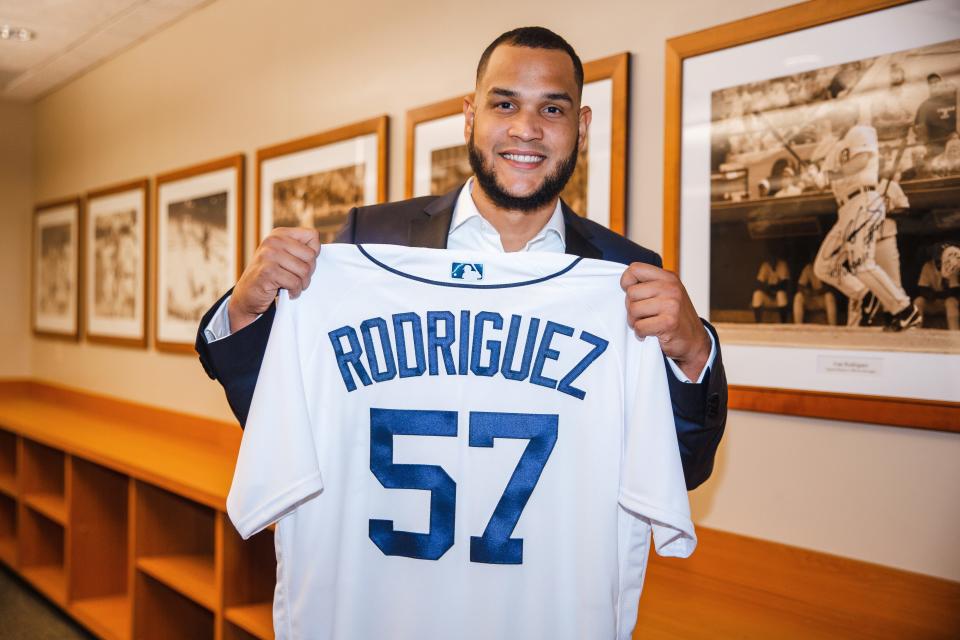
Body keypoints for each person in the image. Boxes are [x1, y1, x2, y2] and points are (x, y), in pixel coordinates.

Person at [195, 27, 727, 490]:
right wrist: (245, 311)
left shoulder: (625, 271)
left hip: (545, 595)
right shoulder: (370, 239)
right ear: (469, 117)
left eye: (552, 108)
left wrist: (692, 354)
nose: (526, 128)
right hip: (391, 587)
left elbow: (677, 470)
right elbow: (283, 421)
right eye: (504, 104)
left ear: (582, 127)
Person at [808, 103, 921, 331]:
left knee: (862, 263)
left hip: (864, 200)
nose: (834, 120)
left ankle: (905, 310)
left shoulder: (861, 131)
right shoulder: (834, 147)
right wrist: (816, 176)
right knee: (824, 265)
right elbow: (825, 180)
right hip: (845, 209)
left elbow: (860, 162)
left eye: (838, 115)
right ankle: (865, 294)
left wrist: (831, 173)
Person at [915, 73, 958, 160]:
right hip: (937, 146)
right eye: (931, 83)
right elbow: (921, 132)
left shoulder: (955, 101)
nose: (934, 85)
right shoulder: (925, 106)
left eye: (937, 82)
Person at [915, 250, 960, 331]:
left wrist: (936, 293)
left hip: (947, 304)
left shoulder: (953, 266)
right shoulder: (928, 266)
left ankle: (955, 332)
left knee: (951, 301)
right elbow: (923, 290)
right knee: (919, 301)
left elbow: (954, 292)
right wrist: (936, 295)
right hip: (933, 302)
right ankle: (916, 329)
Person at [751, 253, 790, 323]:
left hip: (779, 300)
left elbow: (784, 284)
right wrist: (769, 289)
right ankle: (758, 323)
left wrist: (771, 288)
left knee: (780, 294)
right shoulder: (765, 265)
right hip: (769, 297)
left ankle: (783, 323)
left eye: (773, 257)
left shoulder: (782, 264)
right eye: (770, 257)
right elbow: (759, 283)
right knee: (757, 294)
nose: (772, 259)